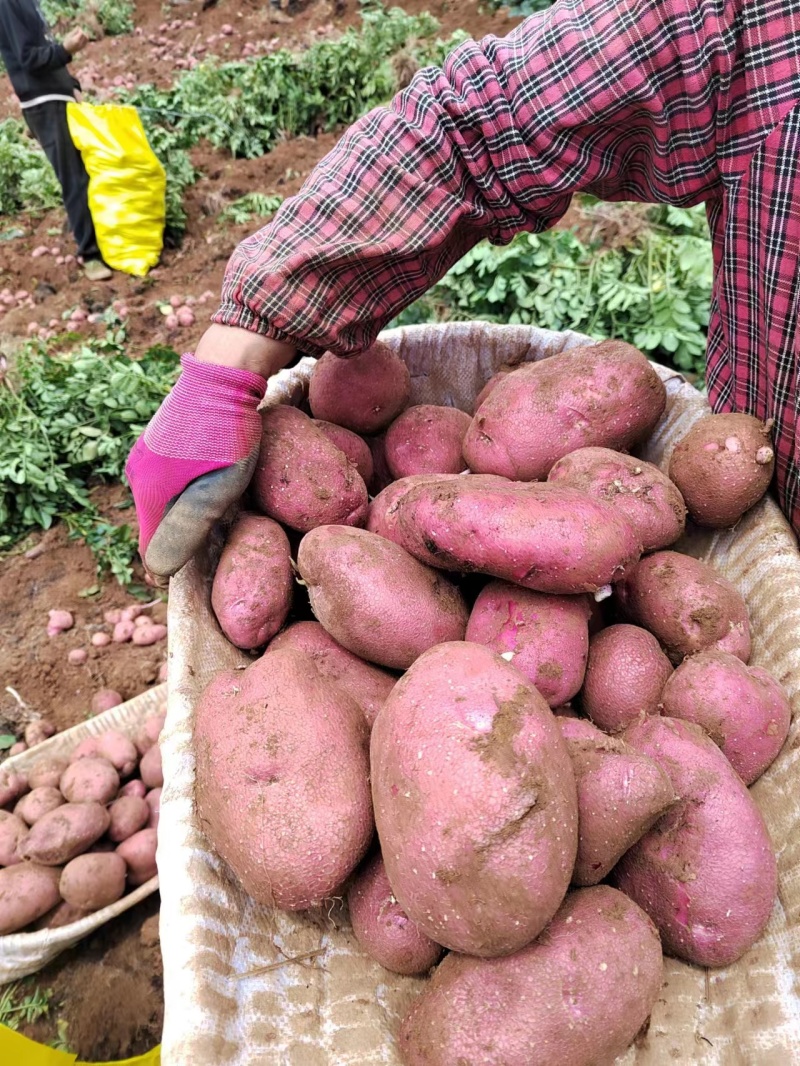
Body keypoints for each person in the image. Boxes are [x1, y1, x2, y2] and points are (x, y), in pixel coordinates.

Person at [126, 0, 800, 580]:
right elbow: (477, 127)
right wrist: (229, 360)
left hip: (731, 522)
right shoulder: (767, 28)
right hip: (742, 502)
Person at [0, 0, 112, 280]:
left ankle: (98, 238)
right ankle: (90, 254)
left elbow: (42, 51)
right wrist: (66, 50)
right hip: (43, 102)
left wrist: (71, 85)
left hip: (58, 96)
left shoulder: (29, 3)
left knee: (87, 169)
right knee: (74, 177)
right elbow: (28, 59)